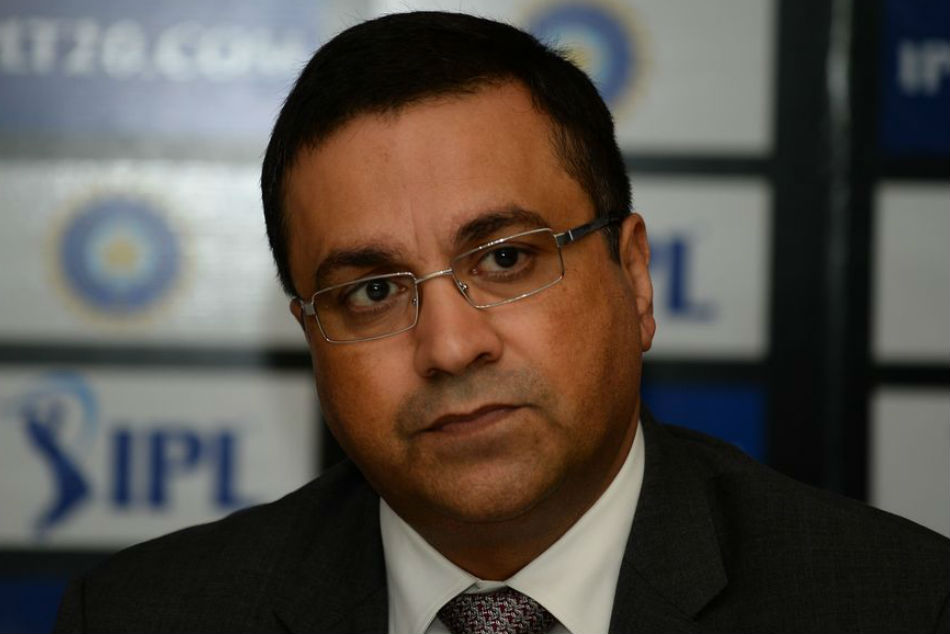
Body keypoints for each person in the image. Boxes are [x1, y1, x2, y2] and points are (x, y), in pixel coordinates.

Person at [54, 11, 948, 634]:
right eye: (373, 292)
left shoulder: (895, 607)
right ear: (311, 338)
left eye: (507, 259)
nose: (450, 346)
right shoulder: (143, 617)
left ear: (635, 278)